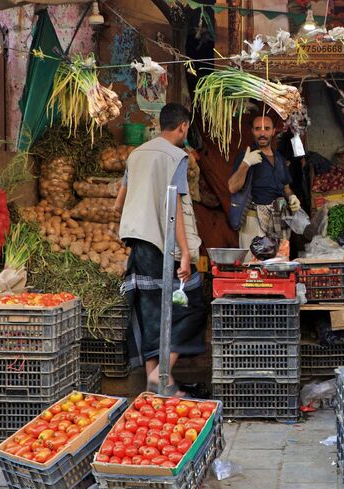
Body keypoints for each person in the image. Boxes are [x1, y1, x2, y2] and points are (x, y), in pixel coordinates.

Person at [119, 103, 206, 396]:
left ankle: (155, 385)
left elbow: (119, 203)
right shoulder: (176, 156)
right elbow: (177, 208)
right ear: (183, 127)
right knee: (193, 304)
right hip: (162, 243)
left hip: (137, 244)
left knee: (150, 312)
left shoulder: (136, 155)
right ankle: (161, 375)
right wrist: (184, 252)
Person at [228, 115, 302, 251]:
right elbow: (232, 187)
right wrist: (246, 163)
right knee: (254, 267)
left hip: (277, 220)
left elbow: (286, 187)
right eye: (258, 129)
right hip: (253, 221)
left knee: (277, 265)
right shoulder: (247, 155)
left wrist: (292, 197)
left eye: (267, 129)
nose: (262, 133)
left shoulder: (279, 158)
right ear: (252, 131)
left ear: (274, 131)